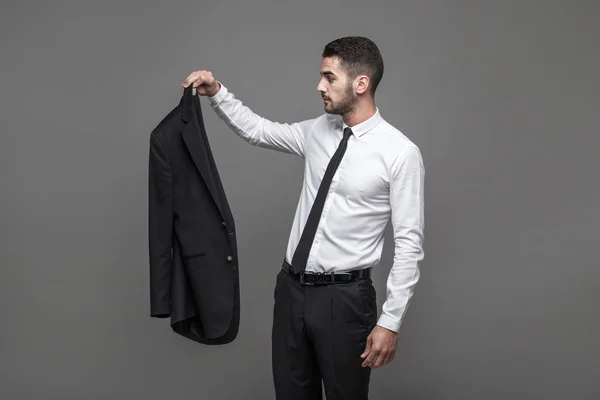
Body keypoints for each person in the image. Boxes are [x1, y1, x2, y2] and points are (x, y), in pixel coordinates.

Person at [182, 36, 425, 399]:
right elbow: (259, 131)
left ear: (361, 84)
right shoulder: (317, 131)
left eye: (329, 77)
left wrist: (390, 322)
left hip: (345, 300)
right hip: (291, 290)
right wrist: (217, 92)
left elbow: (409, 244)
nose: (319, 86)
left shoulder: (400, 153)